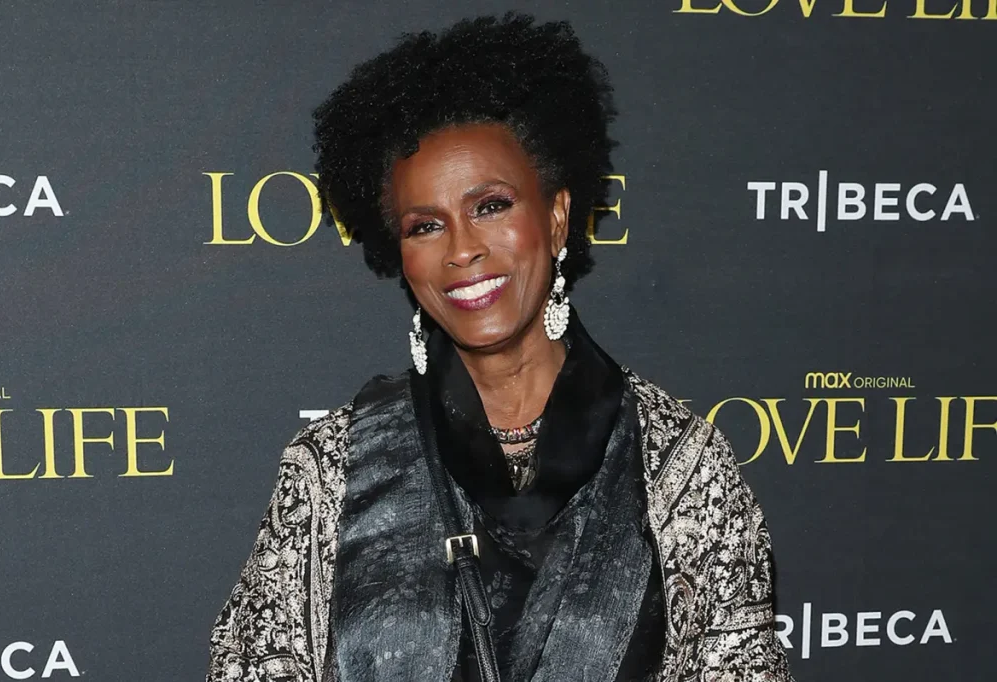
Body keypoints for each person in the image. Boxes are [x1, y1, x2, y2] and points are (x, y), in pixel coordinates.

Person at [207, 13, 794, 682]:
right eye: (425, 225)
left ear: (557, 216)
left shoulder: (676, 464)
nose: (462, 249)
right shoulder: (333, 469)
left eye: (490, 206)